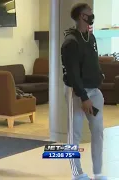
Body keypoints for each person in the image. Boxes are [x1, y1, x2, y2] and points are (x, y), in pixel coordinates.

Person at [61, 3, 106, 180]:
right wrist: (84, 97)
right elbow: (72, 74)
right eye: (90, 13)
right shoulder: (70, 42)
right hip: (77, 93)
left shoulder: (91, 37)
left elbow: (93, 62)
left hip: (94, 91)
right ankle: (77, 173)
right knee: (75, 134)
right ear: (82, 16)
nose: (92, 15)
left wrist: (99, 76)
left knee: (98, 131)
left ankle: (98, 172)